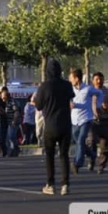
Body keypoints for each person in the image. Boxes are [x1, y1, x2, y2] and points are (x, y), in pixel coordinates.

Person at [35, 60, 74, 196]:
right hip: (65, 124)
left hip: (50, 125)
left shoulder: (44, 86)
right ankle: (65, 185)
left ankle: (50, 184)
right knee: (64, 155)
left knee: (50, 156)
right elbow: (71, 98)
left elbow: (38, 106)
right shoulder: (67, 85)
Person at [69, 69, 100, 173]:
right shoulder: (70, 89)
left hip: (86, 119)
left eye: (71, 78)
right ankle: (92, 155)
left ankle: (77, 163)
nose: (70, 80)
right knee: (78, 141)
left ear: (76, 79)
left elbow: (99, 93)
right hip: (74, 120)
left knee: (81, 140)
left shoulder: (88, 89)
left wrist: (97, 105)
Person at [90, 72, 108, 174]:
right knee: (91, 142)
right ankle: (92, 160)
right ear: (93, 81)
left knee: (104, 145)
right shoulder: (89, 92)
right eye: (96, 79)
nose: (99, 81)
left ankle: (101, 165)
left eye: (100, 79)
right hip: (92, 121)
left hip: (105, 120)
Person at [0, 88, 18, 158]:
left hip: (11, 121)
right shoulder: (0, 100)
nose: (2, 97)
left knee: (10, 136)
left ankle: (13, 150)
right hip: (2, 121)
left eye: (3, 95)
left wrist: (14, 120)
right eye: (1, 95)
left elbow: (16, 111)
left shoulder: (11, 101)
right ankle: (6, 150)